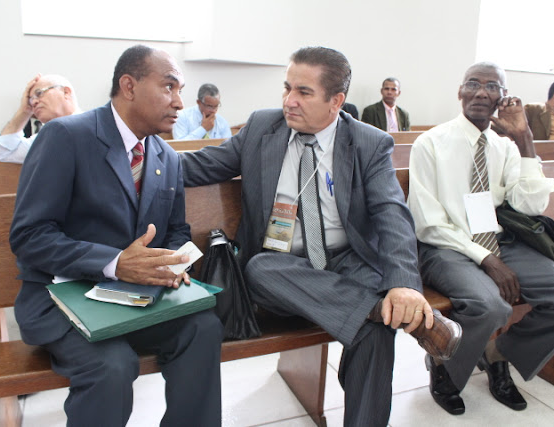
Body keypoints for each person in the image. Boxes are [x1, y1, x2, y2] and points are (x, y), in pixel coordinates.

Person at [180, 46, 461, 427]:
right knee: (260, 270)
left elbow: (391, 214)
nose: (289, 101)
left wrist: (404, 286)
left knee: (376, 329)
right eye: (287, 88)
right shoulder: (262, 127)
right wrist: (141, 159)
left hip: (346, 262)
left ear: (336, 101)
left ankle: (377, 315)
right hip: (282, 271)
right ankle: (383, 311)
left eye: (304, 92)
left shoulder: (367, 143)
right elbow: (202, 164)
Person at [9, 45, 223, 426]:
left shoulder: (167, 157)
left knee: (203, 328)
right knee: (112, 365)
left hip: (135, 298)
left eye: (180, 90)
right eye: (169, 87)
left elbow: (176, 230)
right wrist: (114, 263)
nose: (179, 102)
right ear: (129, 86)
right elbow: (29, 236)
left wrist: (173, 263)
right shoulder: (66, 137)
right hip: (62, 298)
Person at [408, 62, 554, 416]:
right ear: (460, 91)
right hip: (446, 247)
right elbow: (427, 223)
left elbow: (531, 205)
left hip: (500, 243)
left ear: (503, 96)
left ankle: (497, 354)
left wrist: (525, 140)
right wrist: (486, 259)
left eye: (492, 86)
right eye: (473, 84)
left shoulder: (506, 146)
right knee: (491, 307)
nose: (482, 92)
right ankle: (443, 363)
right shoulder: (431, 143)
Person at [0, 74, 80, 163]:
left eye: (39, 93)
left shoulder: (88, 125)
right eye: (30, 99)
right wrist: (24, 111)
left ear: (66, 92)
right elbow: (1, 153)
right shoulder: (47, 138)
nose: (34, 102)